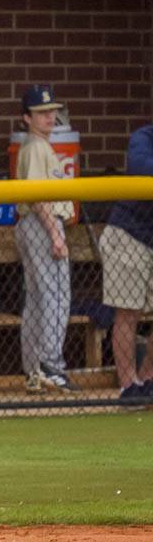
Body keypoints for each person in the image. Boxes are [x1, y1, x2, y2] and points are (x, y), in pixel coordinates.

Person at [14, 86, 80, 394]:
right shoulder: (35, 147)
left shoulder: (40, 145)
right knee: (53, 297)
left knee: (39, 299)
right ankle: (50, 366)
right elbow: (38, 196)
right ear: (27, 118)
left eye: (51, 110)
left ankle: (35, 370)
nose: (49, 116)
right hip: (42, 224)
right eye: (41, 112)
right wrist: (55, 234)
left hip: (37, 225)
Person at [101, 122, 153, 400]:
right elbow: (143, 167)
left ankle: (147, 380)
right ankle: (128, 386)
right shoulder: (143, 137)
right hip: (128, 234)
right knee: (127, 312)